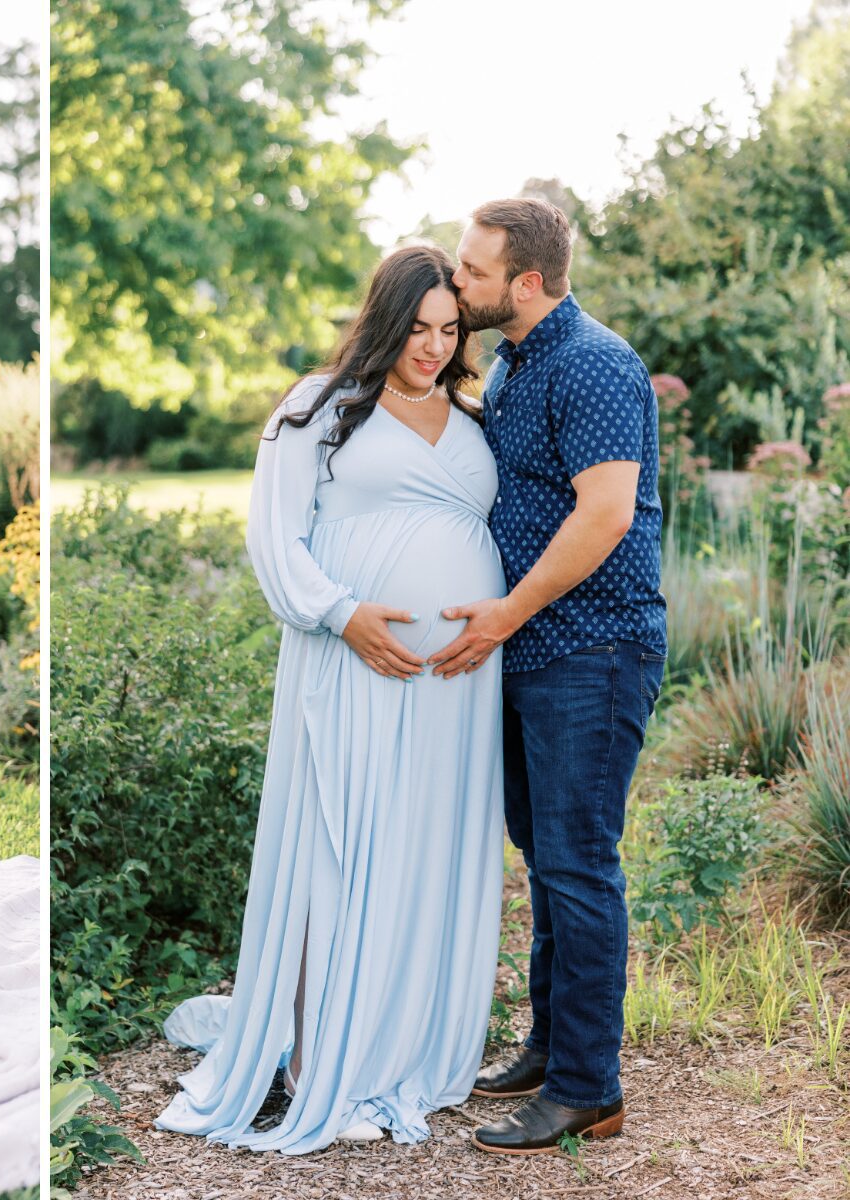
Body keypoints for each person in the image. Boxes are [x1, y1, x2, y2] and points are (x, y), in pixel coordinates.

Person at [154, 244, 507, 1153]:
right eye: (418, 328)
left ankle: (404, 1042)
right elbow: (275, 541)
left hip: (456, 683)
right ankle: (319, 1060)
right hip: (351, 664)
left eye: (449, 329)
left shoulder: (474, 415)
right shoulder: (318, 408)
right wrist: (343, 615)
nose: (433, 347)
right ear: (386, 318)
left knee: (426, 846)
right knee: (338, 848)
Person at [434, 197, 666, 1154]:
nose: (458, 282)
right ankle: (547, 1046)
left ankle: (587, 1090)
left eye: (473, 273)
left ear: (526, 284)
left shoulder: (596, 364)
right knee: (547, 860)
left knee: (578, 866)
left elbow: (606, 513)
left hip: (591, 649)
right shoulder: (518, 363)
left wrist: (505, 613)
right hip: (532, 652)